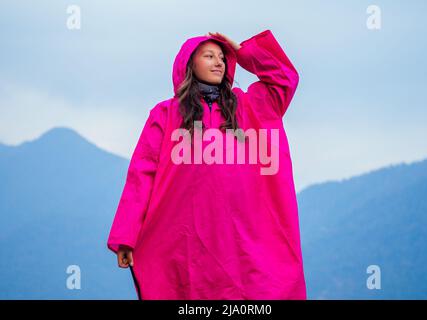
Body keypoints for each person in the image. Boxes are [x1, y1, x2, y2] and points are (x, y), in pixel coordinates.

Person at [107, 30, 307, 299]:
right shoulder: (166, 114)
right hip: (186, 244)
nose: (218, 62)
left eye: (223, 57)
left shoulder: (254, 107)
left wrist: (245, 52)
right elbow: (142, 175)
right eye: (209, 56)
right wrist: (126, 235)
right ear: (190, 64)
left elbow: (285, 78)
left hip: (247, 246)